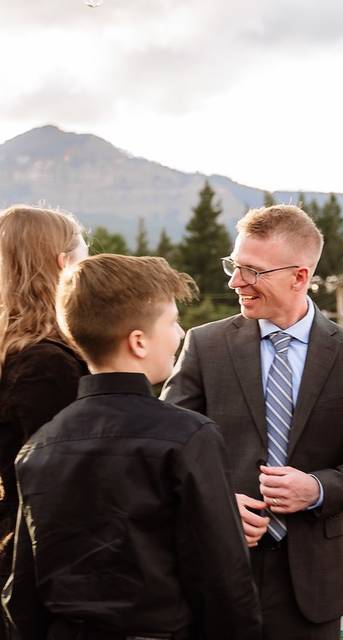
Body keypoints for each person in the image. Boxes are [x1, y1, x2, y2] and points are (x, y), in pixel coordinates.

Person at [162, 204, 343, 639]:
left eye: (252, 271)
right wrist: (214, 504)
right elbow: (166, 448)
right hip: (216, 569)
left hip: (314, 588)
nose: (236, 282)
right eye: (234, 266)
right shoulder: (205, 345)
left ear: (299, 276)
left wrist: (317, 488)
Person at [2, 254, 261, 639]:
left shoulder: (39, 448)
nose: (180, 334)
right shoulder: (189, 436)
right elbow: (223, 581)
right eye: (172, 322)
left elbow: (21, 593)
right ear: (138, 341)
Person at [0, 205, 90, 636]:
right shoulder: (46, 364)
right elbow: (56, 487)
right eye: (84, 255)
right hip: (32, 568)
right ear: (63, 263)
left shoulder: (13, 350)